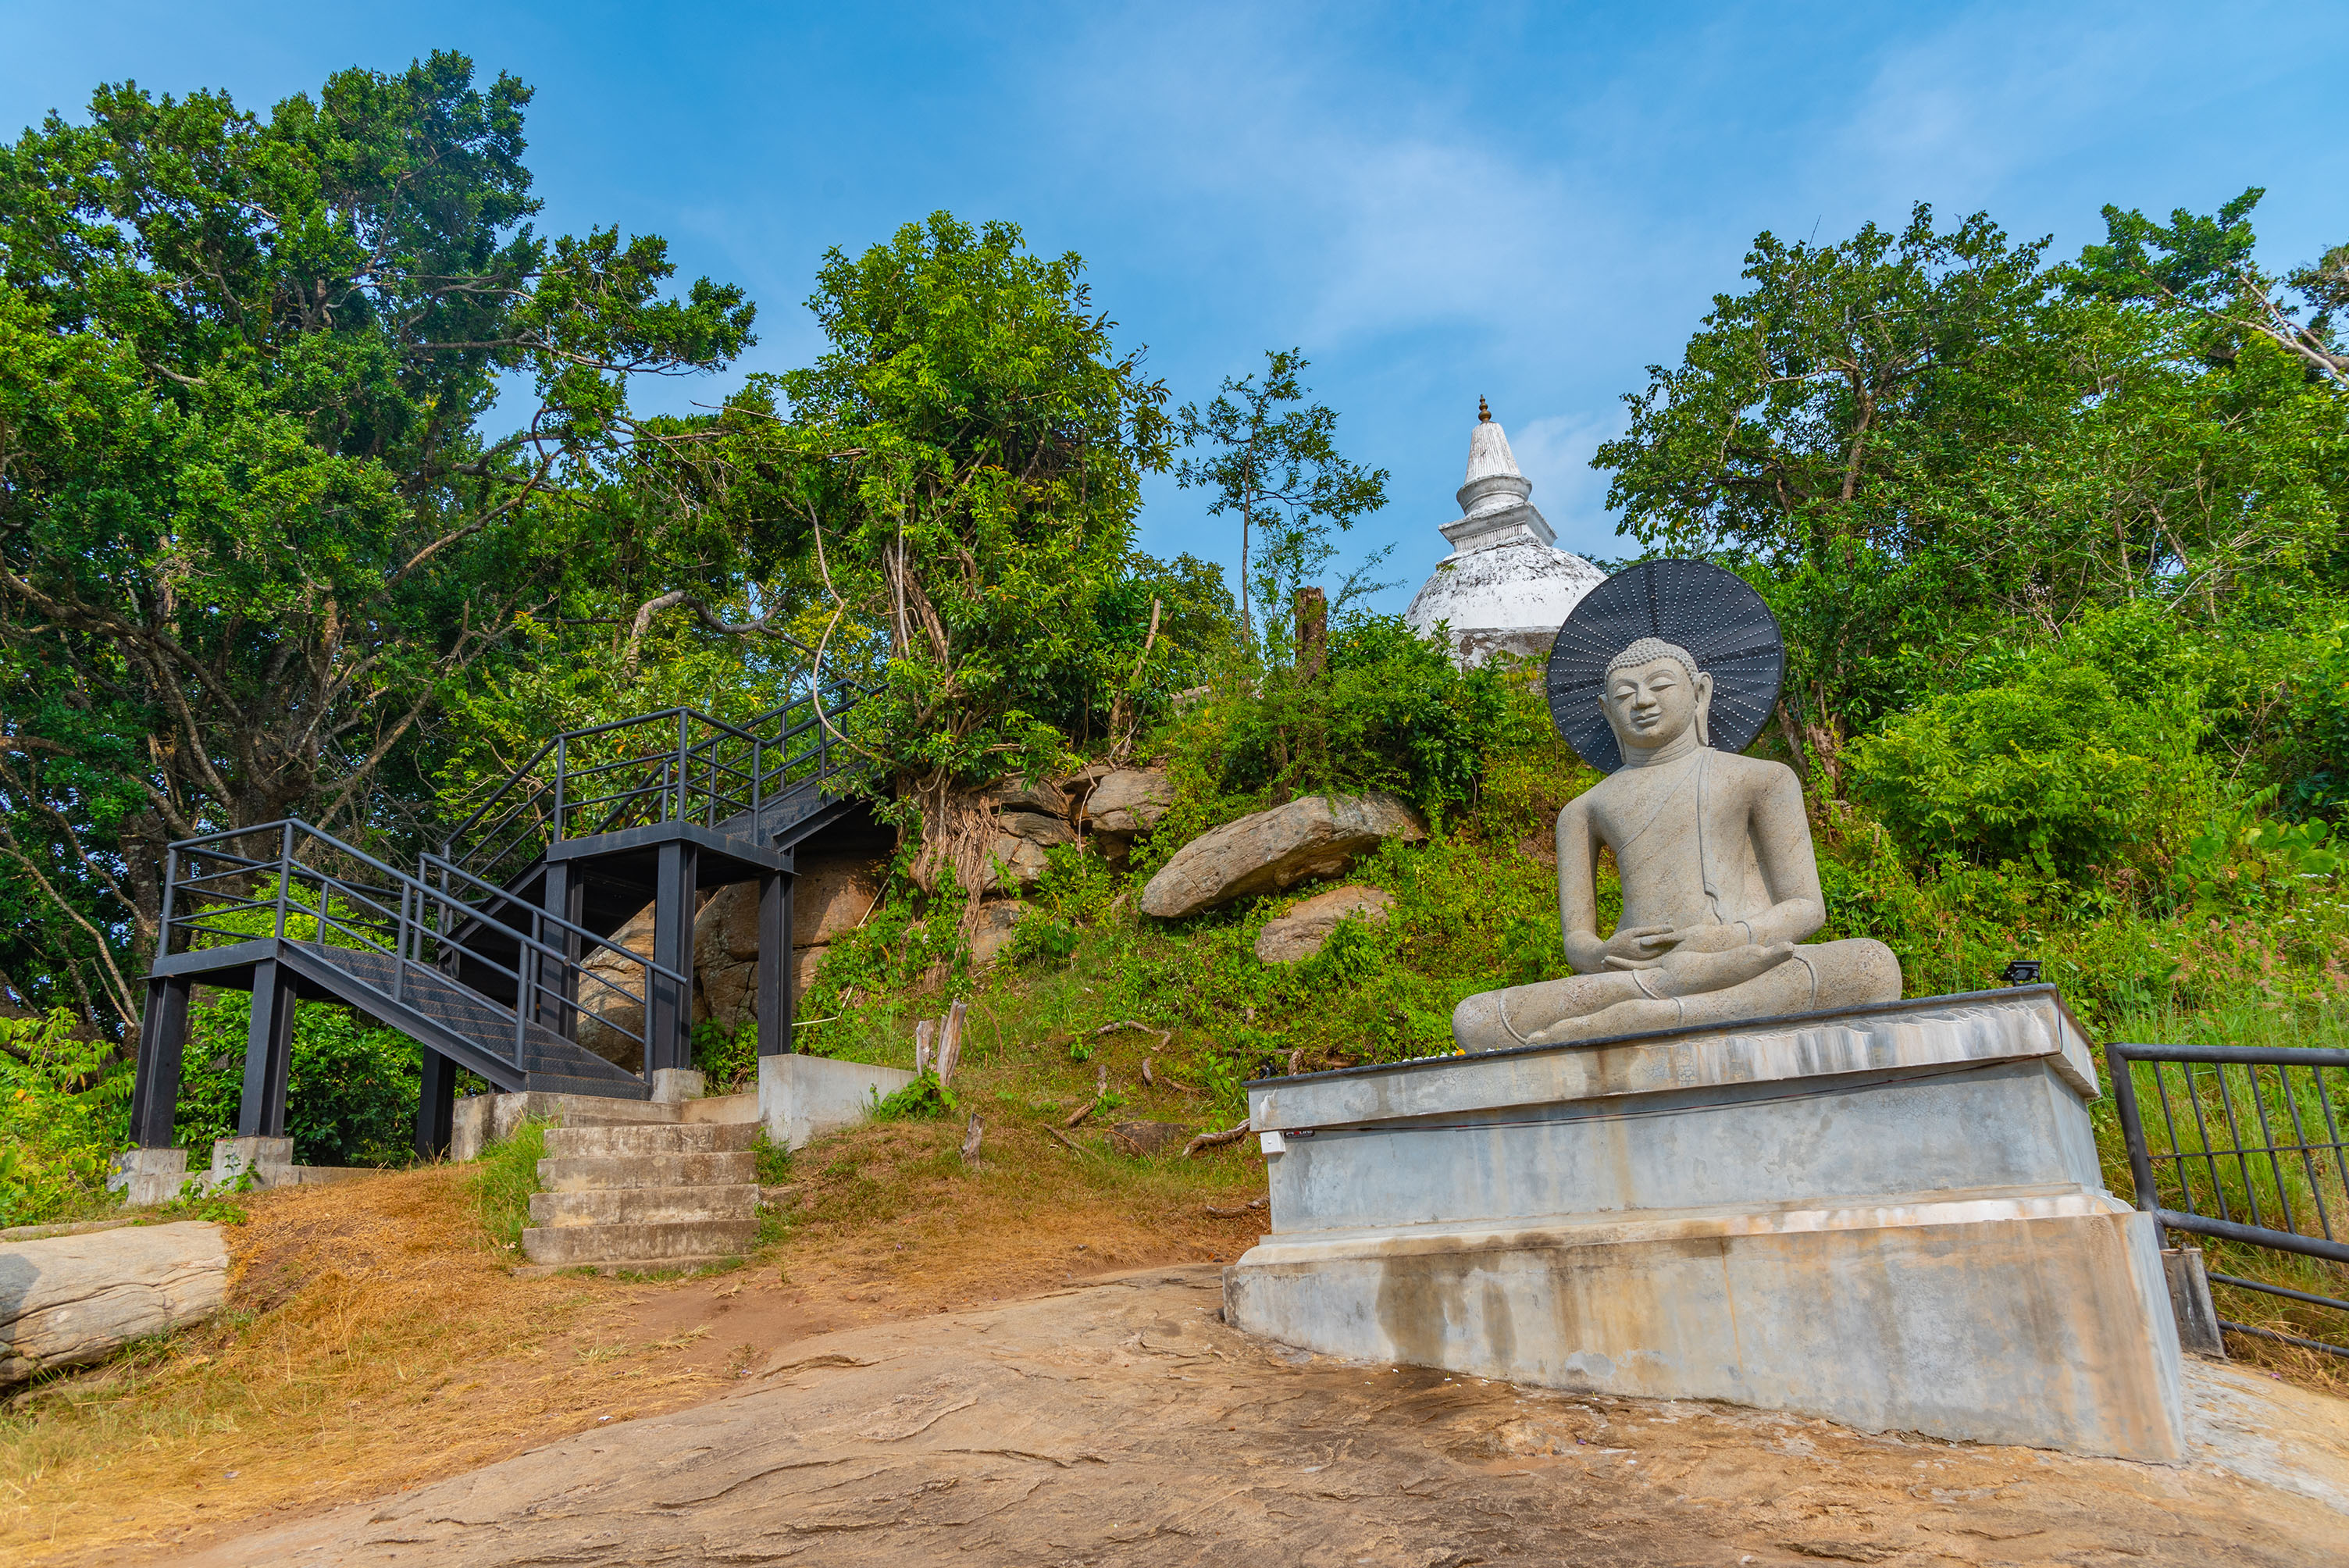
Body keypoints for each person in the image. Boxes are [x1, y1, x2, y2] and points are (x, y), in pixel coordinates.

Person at [1453, 636, 1899, 1050]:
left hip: (1745, 957)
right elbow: (1578, 944)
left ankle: (1645, 1018)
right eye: (1624, 695)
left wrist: (1724, 940)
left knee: (1870, 965)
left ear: (1700, 692)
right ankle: (1676, 1004)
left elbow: (1806, 906)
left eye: (1660, 685)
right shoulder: (1584, 810)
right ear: (1607, 711)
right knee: (1475, 1018)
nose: (1643, 701)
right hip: (1638, 974)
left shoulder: (1761, 778)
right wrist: (1605, 954)